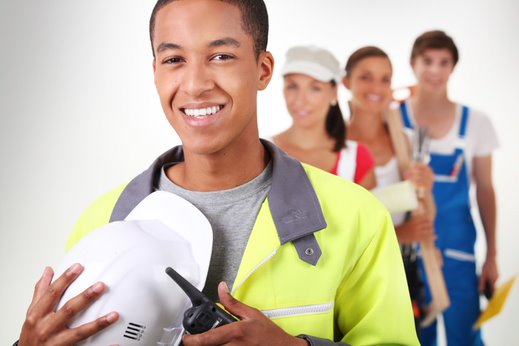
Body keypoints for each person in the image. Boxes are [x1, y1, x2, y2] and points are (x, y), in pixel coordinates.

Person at [16, 1, 419, 345]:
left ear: (263, 70)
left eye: (220, 56)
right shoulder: (103, 221)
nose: (195, 84)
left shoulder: (356, 218)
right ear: (155, 71)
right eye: (174, 59)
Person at [400, 30, 499, 345]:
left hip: (459, 254)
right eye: (427, 60)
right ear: (412, 63)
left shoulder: (475, 122)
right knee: (415, 337)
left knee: (465, 338)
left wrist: (492, 255)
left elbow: (485, 189)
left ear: (453, 68)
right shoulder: (394, 118)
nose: (435, 70)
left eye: (444, 62)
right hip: (409, 252)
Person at [343, 46, 435, 332]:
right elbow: (338, 225)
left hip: (403, 271)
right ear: (347, 83)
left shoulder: (405, 142)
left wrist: (426, 188)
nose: (377, 87)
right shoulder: (336, 146)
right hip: (356, 275)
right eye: (366, 77)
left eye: (385, 79)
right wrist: (398, 234)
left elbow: (427, 214)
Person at [272, 45, 376, 190]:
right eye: (293, 86)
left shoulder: (357, 159)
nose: (300, 100)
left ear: (334, 93)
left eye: (315, 88)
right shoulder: (259, 152)